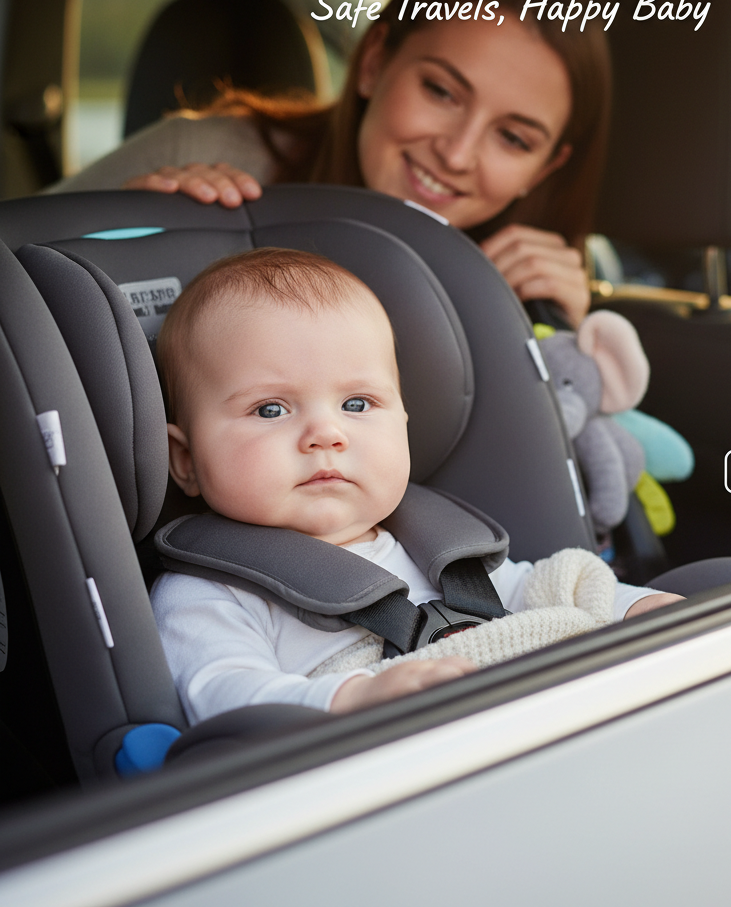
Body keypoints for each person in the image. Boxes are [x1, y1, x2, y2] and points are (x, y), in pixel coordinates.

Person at [150, 247, 681, 724]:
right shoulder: (209, 593)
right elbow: (222, 692)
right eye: (270, 409)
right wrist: (354, 699)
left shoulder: (435, 543)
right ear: (186, 459)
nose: (326, 434)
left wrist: (633, 610)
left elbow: (543, 591)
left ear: (403, 421)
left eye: (357, 404)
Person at [49, 0, 608, 327]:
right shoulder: (202, 159)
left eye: (512, 138)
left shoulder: (532, 291)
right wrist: (119, 241)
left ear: (545, 166)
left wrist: (548, 334)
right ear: (372, 63)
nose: (458, 154)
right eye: (440, 91)